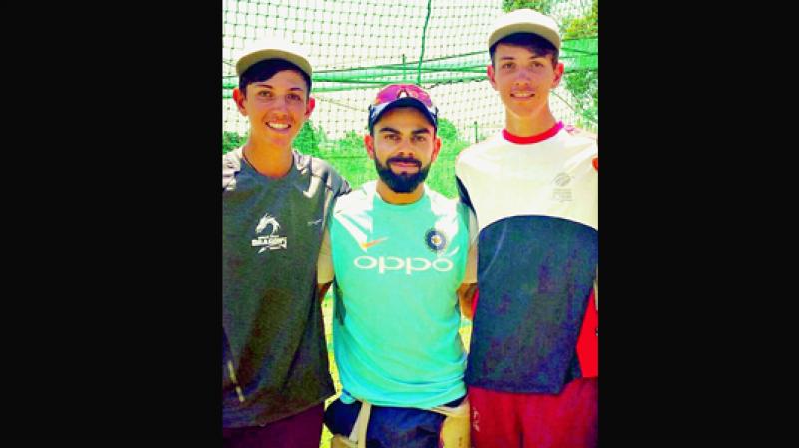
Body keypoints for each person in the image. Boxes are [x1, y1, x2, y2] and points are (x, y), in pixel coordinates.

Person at [454, 8, 598, 448]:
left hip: (571, 371)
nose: (523, 78)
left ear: (556, 74)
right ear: (490, 75)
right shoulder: (469, 163)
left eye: (536, 65)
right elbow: (471, 263)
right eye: (509, 65)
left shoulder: (590, 155)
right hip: (494, 364)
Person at [317, 84, 478, 448]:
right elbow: (306, 303)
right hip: (367, 411)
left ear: (435, 147)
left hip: (446, 408)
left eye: (418, 137)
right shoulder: (338, 217)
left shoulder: (461, 220)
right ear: (369, 144)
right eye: (391, 136)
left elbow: (473, 302)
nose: (405, 148)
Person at [222, 37, 350, 448]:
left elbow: (335, 271)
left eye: (293, 96)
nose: (280, 108)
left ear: (309, 108)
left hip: (297, 401)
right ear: (241, 102)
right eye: (265, 94)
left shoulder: (328, 184)